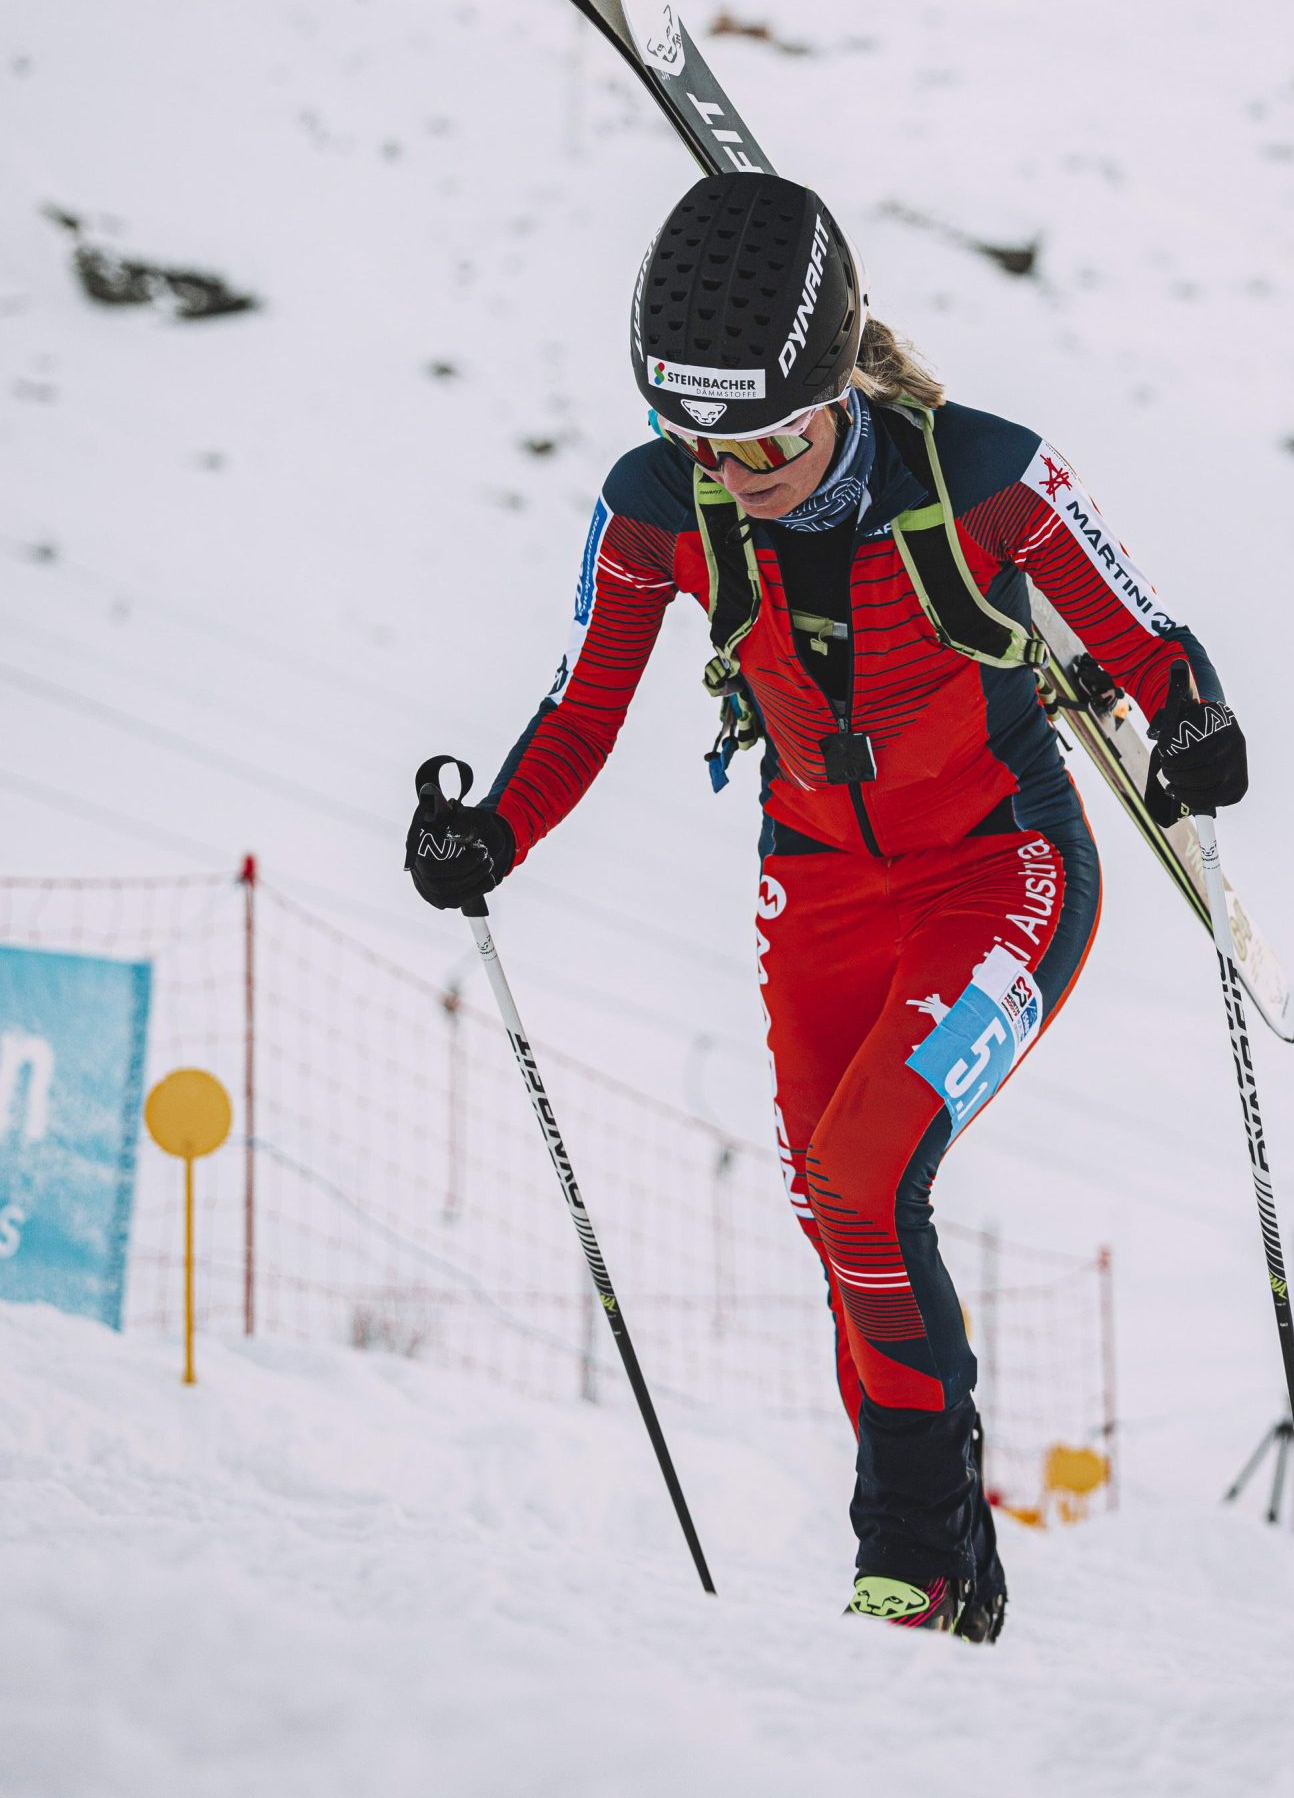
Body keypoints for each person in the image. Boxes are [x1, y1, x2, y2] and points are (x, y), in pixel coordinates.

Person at [406, 173, 1247, 1640]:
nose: (739, 474)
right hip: (818, 884)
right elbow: (583, 707)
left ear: (834, 390)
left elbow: (1151, 643)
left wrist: (1195, 723)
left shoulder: (984, 477)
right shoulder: (656, 509)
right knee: (834, 1213)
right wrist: (494, 832)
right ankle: (951, 1566)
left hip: (1005, 872)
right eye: (703, 444)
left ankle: (913, 1559)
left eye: (773, 441)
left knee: (863, 1186)